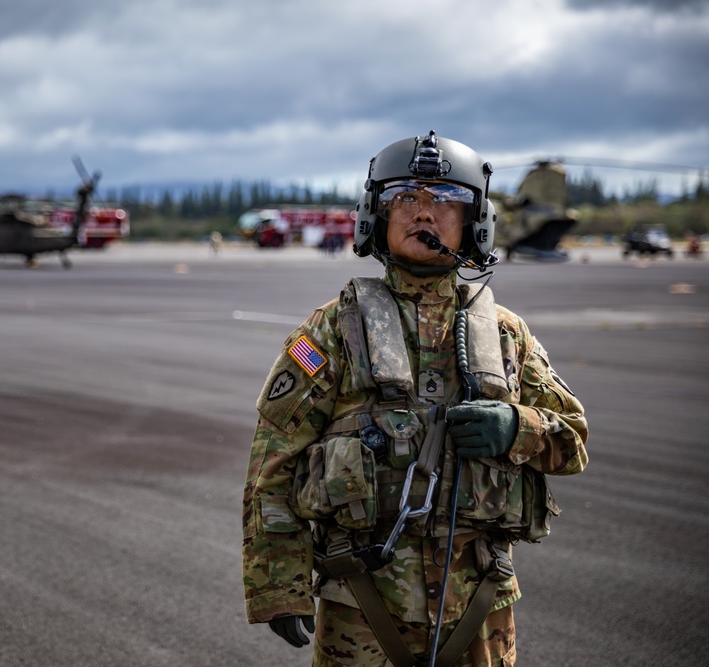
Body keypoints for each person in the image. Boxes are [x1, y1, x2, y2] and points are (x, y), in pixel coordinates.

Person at [241, 131, 588, 666]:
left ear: (475, 221)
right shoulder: (331, 331)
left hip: (480, 608)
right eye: (405, 197)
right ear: (375, 215)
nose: (423, 213)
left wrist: (518, 426)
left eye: (444, 199)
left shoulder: (505, 335)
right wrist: (277, 586)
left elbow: (574, 441)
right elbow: (273, 464)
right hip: (362, 607)